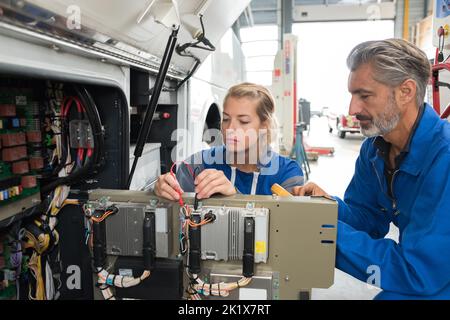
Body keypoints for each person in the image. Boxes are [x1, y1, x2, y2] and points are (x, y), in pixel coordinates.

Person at [293, 39, 450, 299]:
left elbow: (419, 271)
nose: (352, 109)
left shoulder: (444, 158)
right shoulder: (375, 150)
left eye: (364, 96)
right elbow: (368, 221)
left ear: (406, 92)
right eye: (352, 96)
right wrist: (325, 207)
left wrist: (322, 230)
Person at [154, 82, 304, 200]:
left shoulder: (288, 174)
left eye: (243, 121)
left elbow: (288, 232)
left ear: (264, 126)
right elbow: (175, 215)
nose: (230, 128)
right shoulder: (197, 165)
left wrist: (234, 197)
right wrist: (162, 191)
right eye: (225, 119)